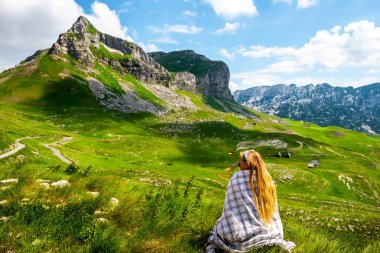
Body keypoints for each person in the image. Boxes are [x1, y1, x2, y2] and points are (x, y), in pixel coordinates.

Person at [206, 150, 296, 253]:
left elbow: (229, 210)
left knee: (220, 226)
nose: (239, 166)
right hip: (271, 232)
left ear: (246, 164)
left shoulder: (236, 178)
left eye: (240, 163)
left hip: (239, 237)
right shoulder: (267, 180)